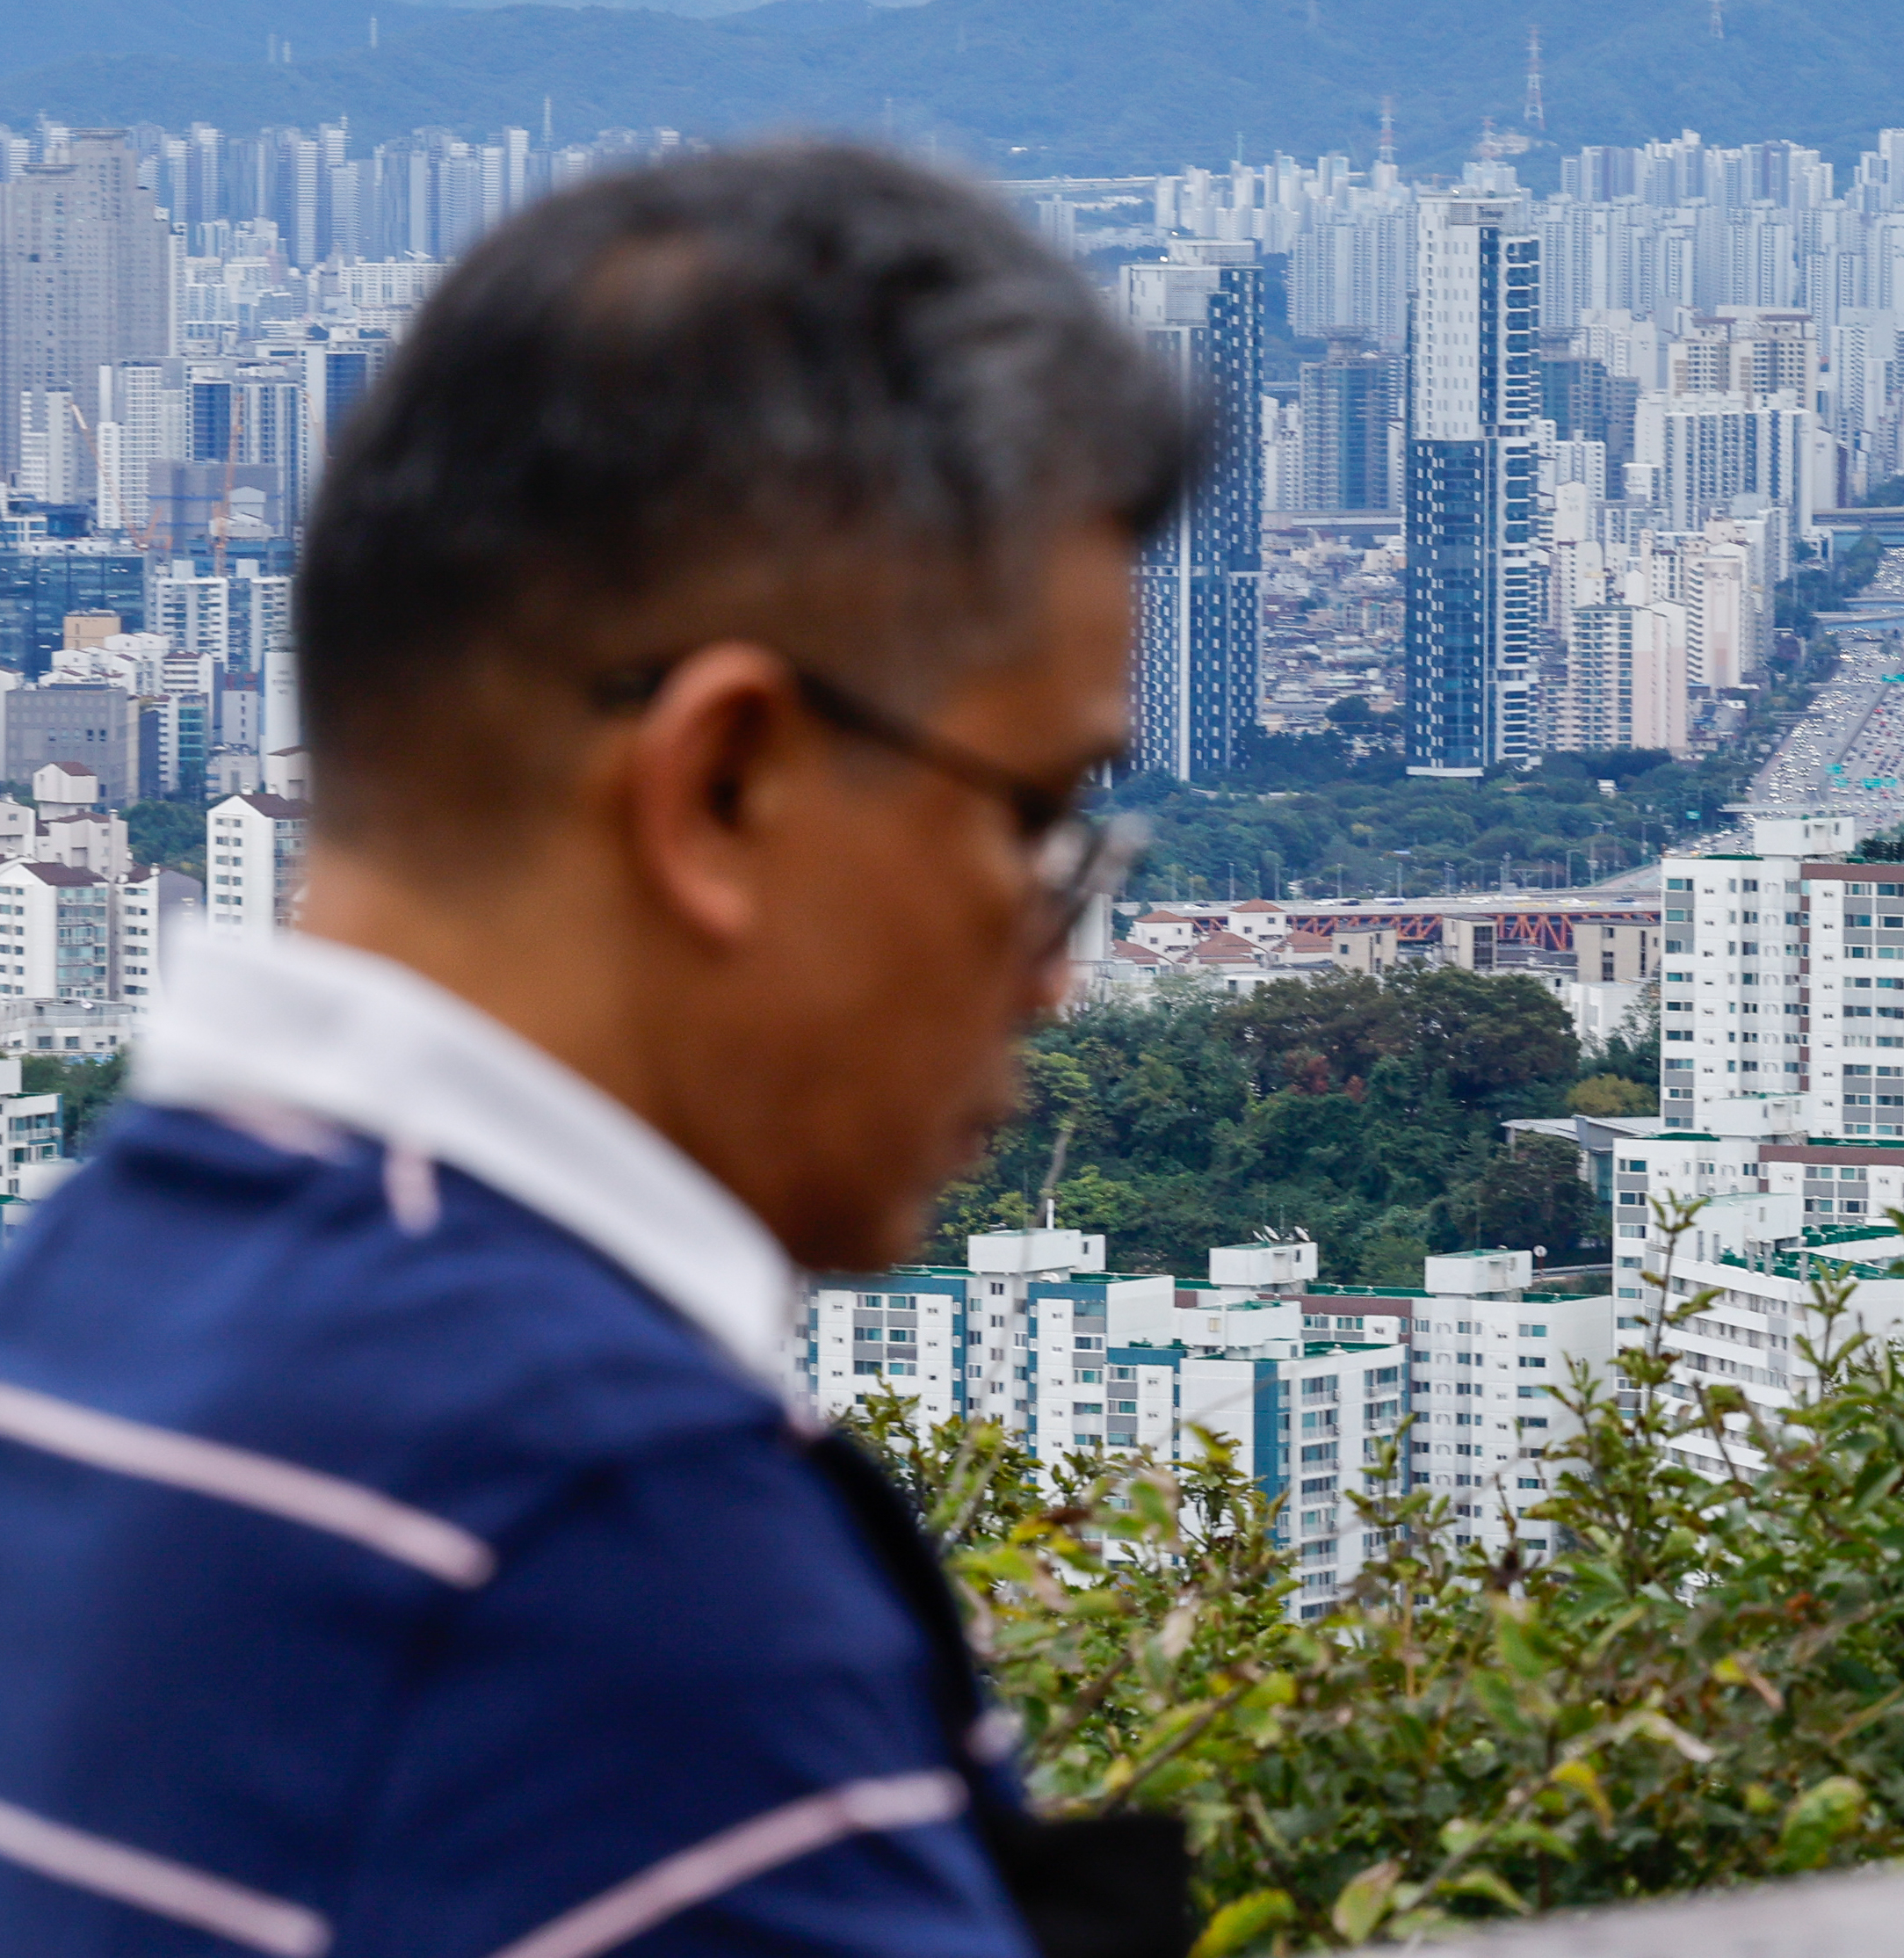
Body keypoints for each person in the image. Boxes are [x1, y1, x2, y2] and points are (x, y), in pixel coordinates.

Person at [0, 147, 1200, 1958]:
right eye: (1032, 820)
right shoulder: (609, 1544)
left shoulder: (76, 1313)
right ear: (722, 783)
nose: (1053, 979)